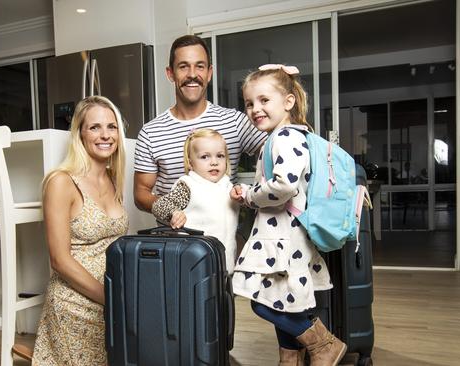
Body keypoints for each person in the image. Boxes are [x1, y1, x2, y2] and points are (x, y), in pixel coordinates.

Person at [230, 64, 347, 366]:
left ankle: (324, 345)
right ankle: (289, 359)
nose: (255, 109)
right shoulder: (290, 136)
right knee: (286, 302)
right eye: (249, 103)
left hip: (283, 235)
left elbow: (284, 186)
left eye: (264, 100)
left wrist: (249, 195)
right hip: (287, 234)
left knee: (261, 300)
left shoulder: (285, 137)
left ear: (289, 101)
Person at [31, 96, 129, 365]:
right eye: (95, 127)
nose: (106, 135)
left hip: (115, 293)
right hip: (77, 301)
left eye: (112, 127)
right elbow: (59, 261)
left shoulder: (113, 178)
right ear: (80, 134)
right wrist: (112, 300)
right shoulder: (61, 182)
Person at [134, 34, 266, 213]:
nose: (192, 75)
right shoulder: (151, 132)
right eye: (183, 67)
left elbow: (274, 152)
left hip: (224, 238)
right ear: (170, 73)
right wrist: (171, 211)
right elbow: (141, 193)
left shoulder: (235, 122)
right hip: (175, 239)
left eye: (200, 66)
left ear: (209, 73)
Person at [151, 128, 239, 273]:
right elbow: (159, 205)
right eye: (205, 157)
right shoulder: (189, 185)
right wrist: (174, 213)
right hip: (193, 265)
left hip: (225, 265)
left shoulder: (228, 187)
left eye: (220, 156)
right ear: (190, 163)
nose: (214, 162)